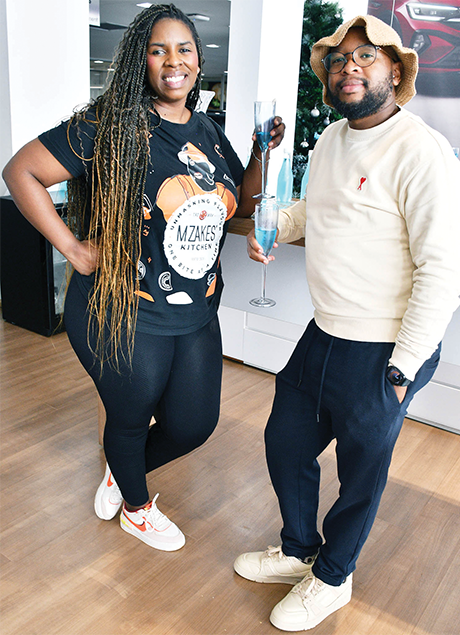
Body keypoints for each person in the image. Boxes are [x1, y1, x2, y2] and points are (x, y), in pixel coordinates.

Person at [2, 3, 284, 552]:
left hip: (195, 309)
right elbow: (22, 171)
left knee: (194, 424)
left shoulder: (208, 130)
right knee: (129, 419)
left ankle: (122, 469)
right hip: (122, 308)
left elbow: (242, 204)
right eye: (158, 50)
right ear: (141, 60)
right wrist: (73, 249)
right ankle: (136, 507)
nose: (173, 61)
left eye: (184, 49)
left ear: (198, 61)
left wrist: (259, 152)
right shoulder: (109, 125)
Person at [234, 14, 460, 632]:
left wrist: (402, 368)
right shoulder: (331, 140)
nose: (349, 68)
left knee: (361, 473)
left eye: (366, 57)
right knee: (286, 443)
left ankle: (333, 577)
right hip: (325, 328)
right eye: (338, 60)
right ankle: (298, 549)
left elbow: (444, 270)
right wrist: (276, 228)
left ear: (396, 70)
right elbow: (317, 209)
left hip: (385, 344)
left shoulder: (422, 151)